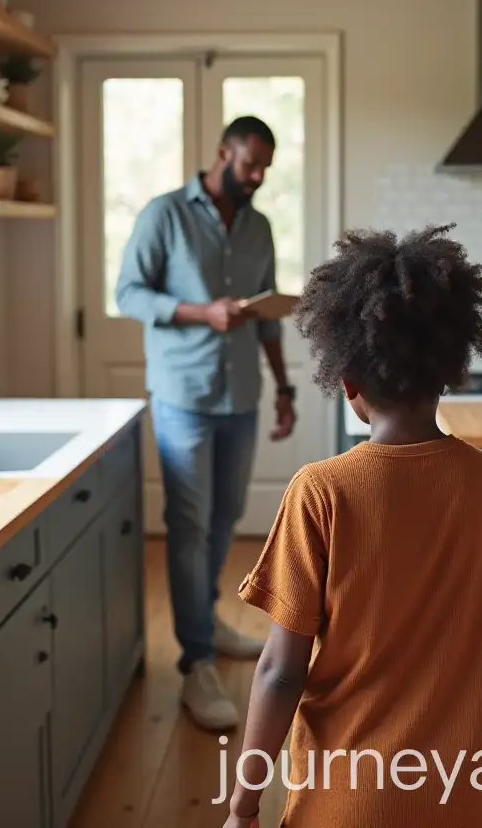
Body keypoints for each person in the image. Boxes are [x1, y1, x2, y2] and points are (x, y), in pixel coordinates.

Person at [221, 224, 482, 828]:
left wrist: (243, 806)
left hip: (347, 803)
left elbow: (280, 671)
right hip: (468, 802)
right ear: (450, 371)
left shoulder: (321, 492)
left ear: (348, 384)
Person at [115, 115, 298, 731]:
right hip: (182, 396)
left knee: (224, 518)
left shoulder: (260, 225)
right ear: (223, 152)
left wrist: (284, 387)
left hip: (241, 393)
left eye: (265, 168)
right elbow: (129, 294)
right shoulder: (164, 214)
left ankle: (207, 618)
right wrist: (200, 312)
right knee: (189, 523)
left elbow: (268, 312)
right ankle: (196, 660)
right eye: (250, 164)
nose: (258, 177)